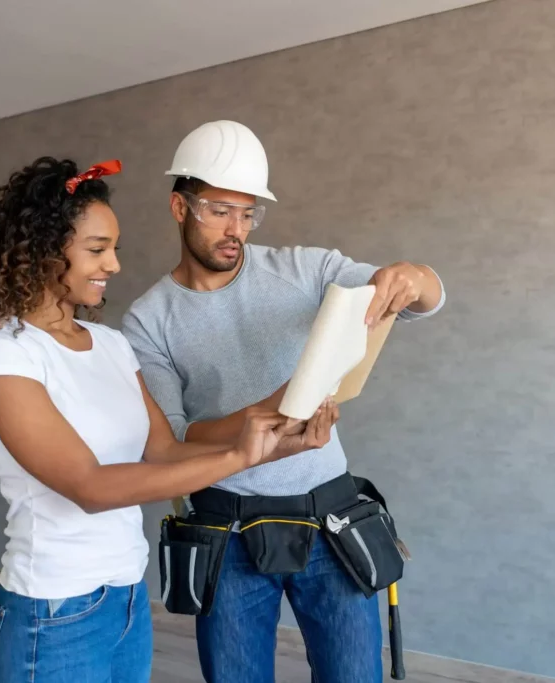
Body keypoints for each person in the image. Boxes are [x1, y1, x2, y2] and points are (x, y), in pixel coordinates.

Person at [0, 156, 337, 683]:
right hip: (52, 610)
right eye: (97, 249)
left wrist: (275, 447)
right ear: (43, 250)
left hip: (126, 597)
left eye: (114, 249)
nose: (113, 265)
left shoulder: (110, 344)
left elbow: (164, 452)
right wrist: (239, 456)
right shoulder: (3, 350)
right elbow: (90, 487)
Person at [121, 120, 446, 683]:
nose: (236, 229)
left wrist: (413, 277)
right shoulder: (148, 321)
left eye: (248, 214)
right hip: (227, 532)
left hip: (330, 521)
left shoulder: (306, 269)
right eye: (220, 210)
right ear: (180, 208)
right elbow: (172, 441)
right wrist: (265, 413)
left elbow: (424, 300)